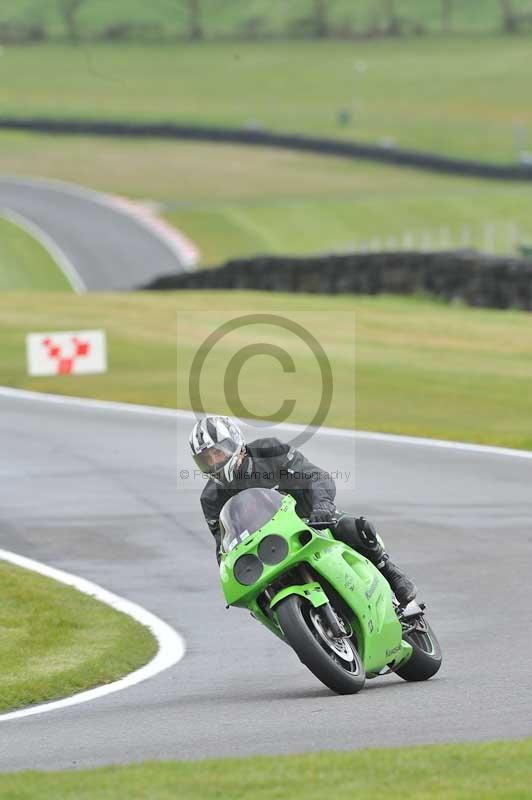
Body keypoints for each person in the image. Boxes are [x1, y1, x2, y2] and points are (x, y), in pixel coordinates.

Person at [189, 415, 417, 604]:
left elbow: (316, 476)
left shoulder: (270, 451)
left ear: (234, 443)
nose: (214, 462)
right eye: (205, 459)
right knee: (258, 600)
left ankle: (390, 572)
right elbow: (223, 546)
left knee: (353, 528)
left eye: (218, 452)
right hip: (267, 549)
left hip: (310, 521)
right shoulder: (211, 498)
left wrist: (323, 505)